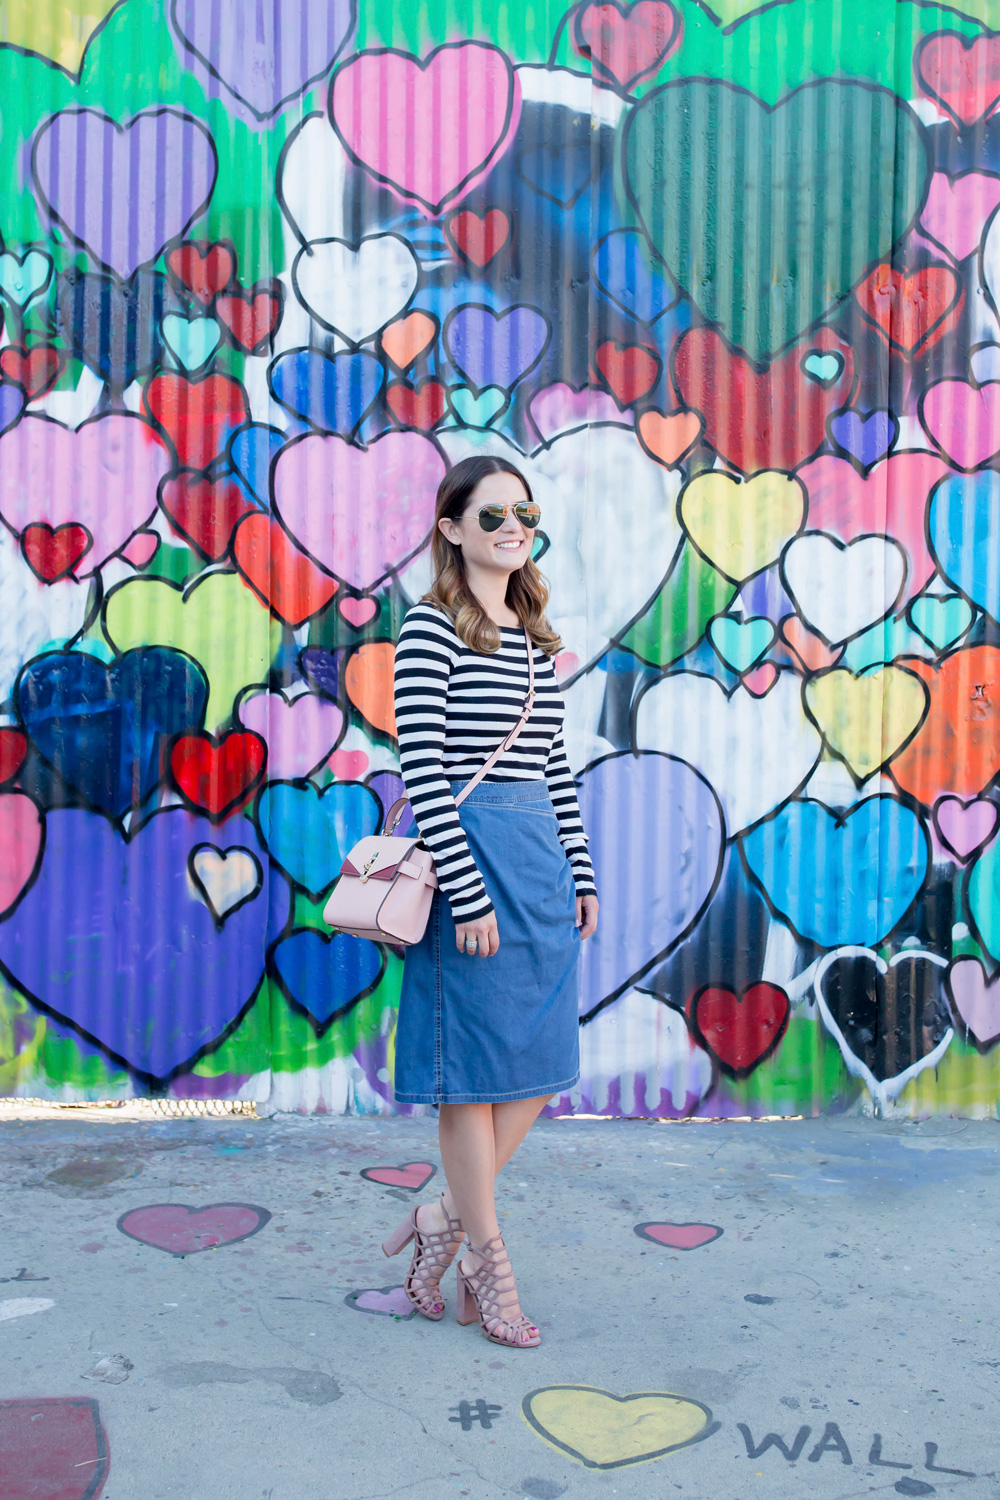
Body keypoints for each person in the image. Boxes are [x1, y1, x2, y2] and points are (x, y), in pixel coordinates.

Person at [381, 454, 600, 1348]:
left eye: (525, 514)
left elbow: (553, 765)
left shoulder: (536, 637)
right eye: (492, 514)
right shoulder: (430, 629)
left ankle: (441, 1219)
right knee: (468, 1079)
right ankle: (490, 1262)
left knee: (539, 1063)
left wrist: (580, 871)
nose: (513, 527)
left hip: (538, 863)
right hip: (467, 861)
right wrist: (465, 893)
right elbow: (424, 770)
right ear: (451, 528)